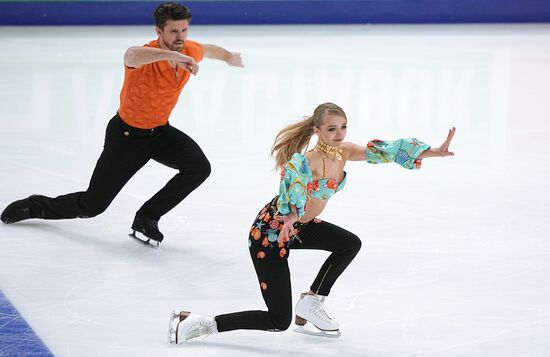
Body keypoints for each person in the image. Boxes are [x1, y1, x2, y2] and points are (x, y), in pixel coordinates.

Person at [167, 102, 456, 342]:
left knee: (348, 244)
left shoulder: (345, 153)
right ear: (317, 131)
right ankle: (201, 323)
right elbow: (291, 189)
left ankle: (312, 301)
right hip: (271, 234)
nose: (339, 134)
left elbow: (390, 150)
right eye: (332, 129)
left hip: (299, 229)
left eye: (343, 127)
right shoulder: (306, 161)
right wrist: (292, 215)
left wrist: (434, 152)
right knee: (278, 321)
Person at [0, 2, 244, 247]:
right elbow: (131, 54)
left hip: (159, 133)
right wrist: (172, 55)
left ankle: (147, 217)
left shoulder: (190, 49)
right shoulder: (144, 56)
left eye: (184, 30)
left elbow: (209, 50)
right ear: (159, 32)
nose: (180, 37)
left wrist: (229, 57)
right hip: (126, 137)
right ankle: (35, 206)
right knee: (91, 206)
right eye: (173, 31)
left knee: (199, 168)